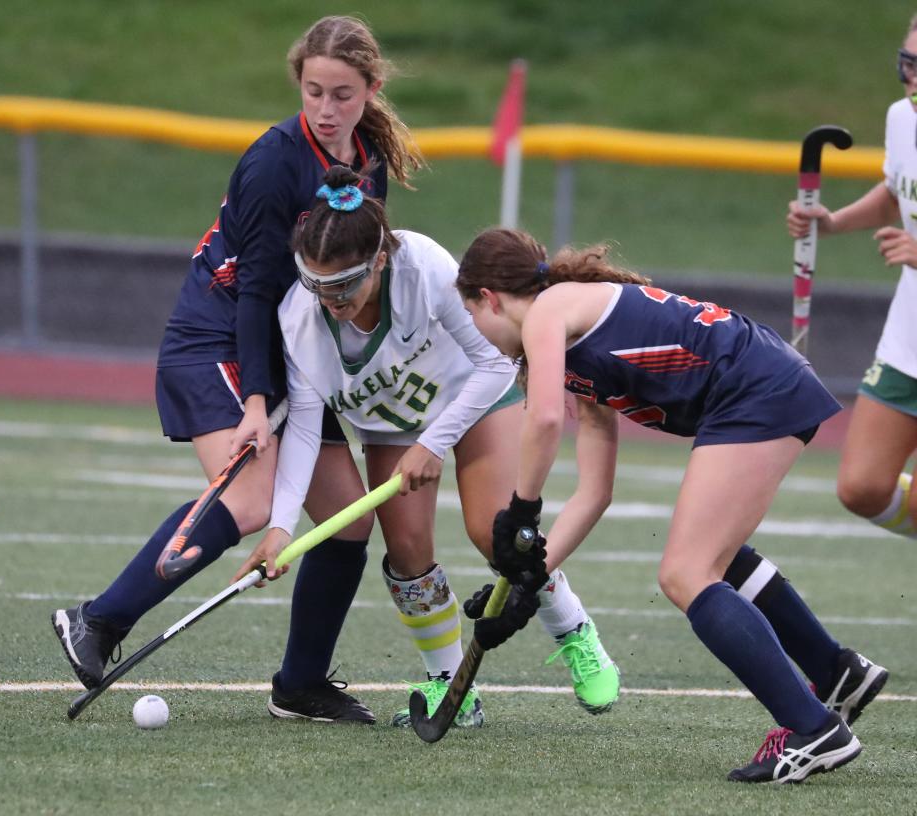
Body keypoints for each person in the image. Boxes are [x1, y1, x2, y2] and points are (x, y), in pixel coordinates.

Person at [51, 15, 422, 724]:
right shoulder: (273, 164)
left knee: (344, 521)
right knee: (252, 503)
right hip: (218, 338)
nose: (325, 107)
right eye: (313, 91)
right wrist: (257, 402)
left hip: (287, 348)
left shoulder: (368, 155)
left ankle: (300, 684)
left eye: (342, 93)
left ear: (371, 89)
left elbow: (355, 270)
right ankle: (95, 621)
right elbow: (256, 293)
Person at [454, 226, 874, 783]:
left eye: (472, 317)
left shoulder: (551, 309)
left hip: (754, 389)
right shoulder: (573, 343)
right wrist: (533, 576)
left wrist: (522, 511)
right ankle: (834, 669)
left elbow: (545, 419)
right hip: (759, 384)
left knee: (686, 572)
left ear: (489, 298)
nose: (480, 337)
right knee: (712, 554)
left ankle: (812, 729)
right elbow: (594, 492)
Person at [233, 166, 622, 727]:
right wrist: (281, 527)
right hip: (394, 425)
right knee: (408, 553)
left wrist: (436, 442)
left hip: (476, 394)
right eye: (318, 283)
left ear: (380, 260)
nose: (331, 299)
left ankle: (575, 633)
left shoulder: (422, 265)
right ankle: (451, 684)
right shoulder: (299, 317)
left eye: (345, 284)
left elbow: (495, 361)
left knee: (497, 533)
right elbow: (304, 427)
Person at [787, 14, 917, 543]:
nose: (911, 78)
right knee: (862, 486)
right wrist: (834, 221)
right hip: (907, 341)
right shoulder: (902, 119)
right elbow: (896, 192)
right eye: (907, 63)